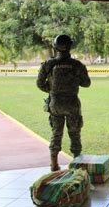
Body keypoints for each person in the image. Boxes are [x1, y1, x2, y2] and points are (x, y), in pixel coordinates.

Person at [37, 34, 91, 171]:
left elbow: (39, 83)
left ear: (55, 47)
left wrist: (51, 90)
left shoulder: (48, 65)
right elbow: (86, 83)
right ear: (70, 47)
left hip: (55, 104)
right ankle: (77, 164)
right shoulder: (77, 65)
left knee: (56, 132)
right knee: (74, 133)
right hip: (72, 104)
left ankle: (54, 164)